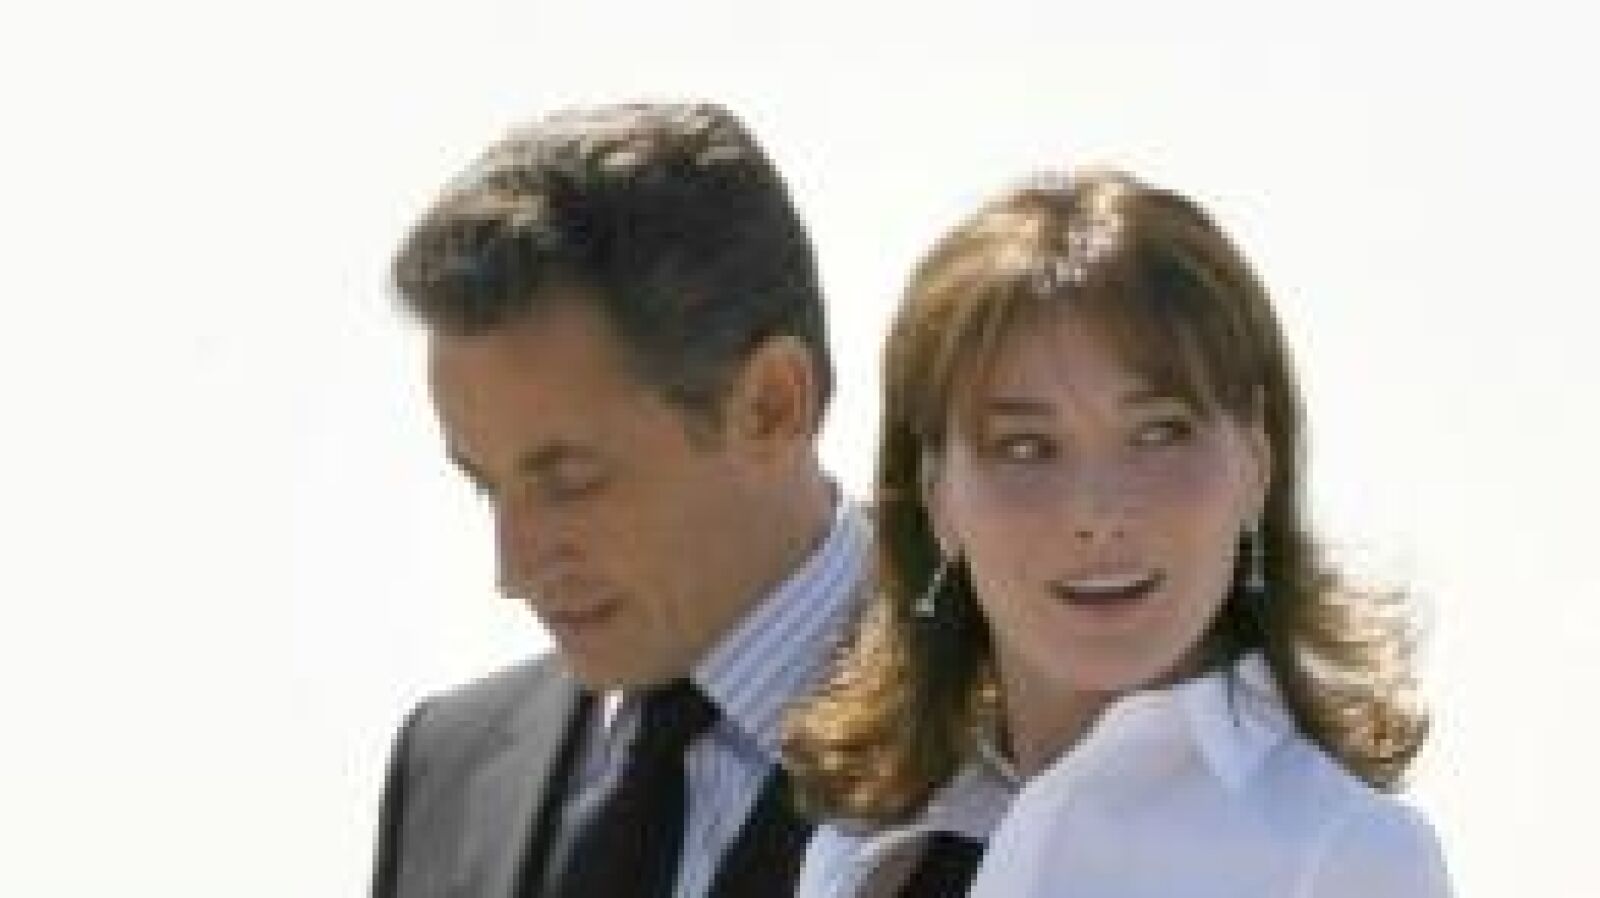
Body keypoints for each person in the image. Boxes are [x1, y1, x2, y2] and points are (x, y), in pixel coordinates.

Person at [784, 169, 1450, 897]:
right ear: (935, 494)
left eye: (1159, 433)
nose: (1096, 513)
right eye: (1027, 448)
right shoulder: (860, 853)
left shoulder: (1341, 857)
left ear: (1258, 462)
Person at [370, 102, 870, 898]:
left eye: (569, 480)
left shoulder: (1026, 743)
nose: (513, 570)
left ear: (770, 406)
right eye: (483, 485)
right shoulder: (447, 769)